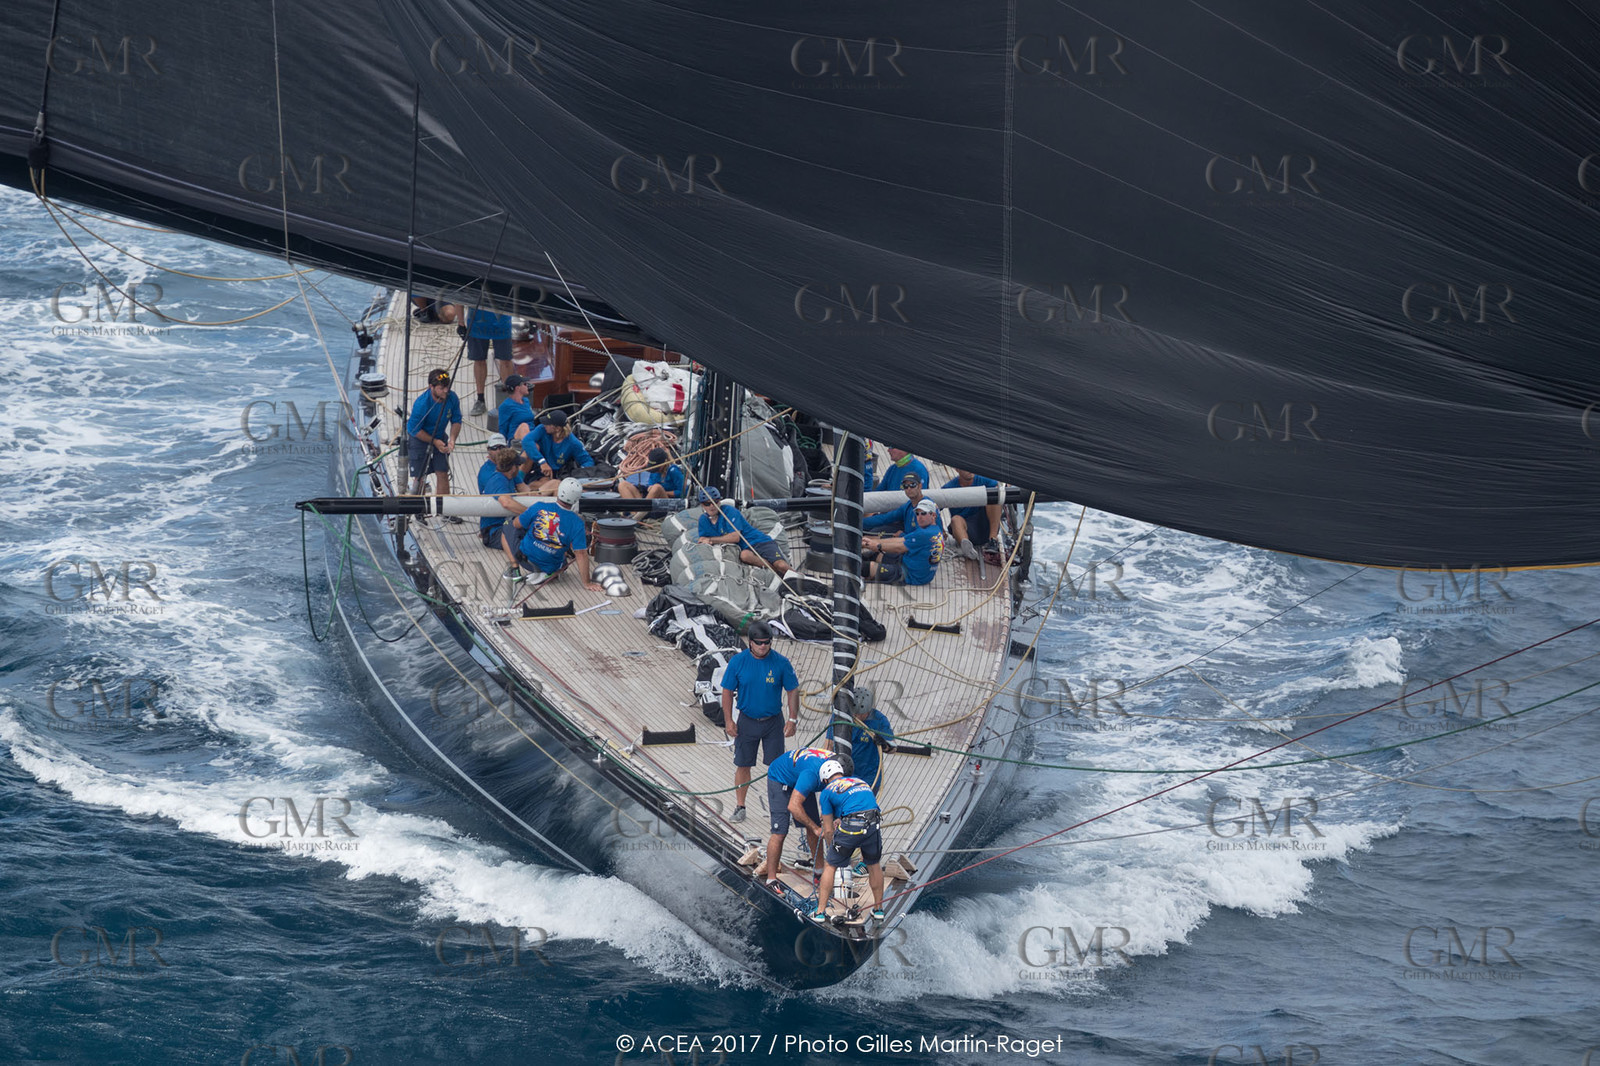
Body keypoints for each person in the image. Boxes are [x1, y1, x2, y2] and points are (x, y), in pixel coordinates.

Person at [721, 620, 800, 824]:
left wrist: (792, 719)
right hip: (747, 721)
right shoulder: (738, 662)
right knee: (743, 764)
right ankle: (740, 806)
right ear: (750, 643)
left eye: (767, 642)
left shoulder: (781, 663)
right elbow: (727, 692)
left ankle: (783, 808)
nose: (763, 646)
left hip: (773, 722)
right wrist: (729, 720)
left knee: (778, 767)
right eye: (759, 642)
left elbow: (792, 690)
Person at [761, 745, 848, 888]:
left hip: (800, 775)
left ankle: (819, 873)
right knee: (780, 831)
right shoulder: (811, 775)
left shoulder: (841, 769)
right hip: (781, 778)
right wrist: (815, 828)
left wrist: (836, 817)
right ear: (825, 778)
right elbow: (793, 806)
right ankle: (771, 879)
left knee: (815, 826)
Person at [812, 760, 887, 922]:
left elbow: (828, 829)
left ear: (825, 779)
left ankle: (820, 912)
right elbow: (860, 804)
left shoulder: (826, 791)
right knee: (873, 864)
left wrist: (833, 848)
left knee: (830, 865)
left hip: (852, 826)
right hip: (873, 822)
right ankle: (878, 909)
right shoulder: (860, 781)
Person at [498, 477, 602, 591]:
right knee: (562, 554)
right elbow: (581, 554)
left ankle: (514, 569)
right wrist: (587, 583)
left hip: (526, 562)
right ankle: (550, 572)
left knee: (508, 524)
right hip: (553, 565)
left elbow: (516, 524)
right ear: (577, 498)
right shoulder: (577, 523)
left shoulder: (539, 506)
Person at [697, 486, 791, 576]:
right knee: (744, 556)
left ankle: (801, 578)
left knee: (781, 565)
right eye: (707, 504)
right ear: (702, 505)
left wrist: (711, 540)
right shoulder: (703, 521)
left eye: (715, 501)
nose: (712, 506)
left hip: (760, 542)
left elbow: (735, 537)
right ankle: (777, 574)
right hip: (745, 550)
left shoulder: (729, 511)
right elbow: (702, 539)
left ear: (720, 502)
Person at [406, 369, 462, 501]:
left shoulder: (452, 398)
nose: (446, 391)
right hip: (420, 438)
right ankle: (418, 509)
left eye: (447, 387)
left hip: (440, 436)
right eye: (442, 388)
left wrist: (452, 439)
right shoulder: (421, 404)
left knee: (442, 472)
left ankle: (444, 509)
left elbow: (456, 421)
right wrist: (434, 442)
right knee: (420, 476)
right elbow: (414, 429)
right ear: (431, 387)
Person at [861, 498, 943, 585]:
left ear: (933, 515)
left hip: (909, 575)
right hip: (914, 567)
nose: (919, 517)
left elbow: (899, 548)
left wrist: (877, 546)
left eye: (923, 513)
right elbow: (901, 540)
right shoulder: (934, 530)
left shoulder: (924, 533)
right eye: (917, 513)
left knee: (866, 567)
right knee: (875, 555)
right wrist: (874, 542)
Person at [522, 410, 594, 495]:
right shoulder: (542, 429)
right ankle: (519, 481)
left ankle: (530, 491)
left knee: (550, 483)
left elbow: (587, 461)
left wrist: (577, 477)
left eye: (548, 424)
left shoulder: (573, 443)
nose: (544, 425)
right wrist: (542, 461)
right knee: (530, 449)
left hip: (556, 473)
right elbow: (526, 440)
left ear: (557, 428)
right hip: (538, 467)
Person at [461, 306, 514, 416]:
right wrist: (460, 324)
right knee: (479, 360)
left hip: (502, 323)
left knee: (506, 361)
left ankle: (508, 401)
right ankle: (480, 400)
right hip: (477, 325)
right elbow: (459, 298)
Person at [478, 435, 527, 549]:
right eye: (518, 465)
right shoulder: (497, 481)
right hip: (494, 532)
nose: (519, 467)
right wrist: (530, 513)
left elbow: (524, 489)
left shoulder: (507, 477)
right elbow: (506, 503)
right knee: (531, 543)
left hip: (507, 523)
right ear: (513, 468)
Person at [943, 469, 1001, 561]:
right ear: (957, 470)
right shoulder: (949, 488)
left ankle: (993, 541)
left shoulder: (983, 480)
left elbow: (1000, 487)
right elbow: (934, 507)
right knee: (955, 520)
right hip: (966, 529)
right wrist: (939, 529)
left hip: (985, 525)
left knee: (995, 494)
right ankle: (967, 548)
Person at [844, 687, 895, 792]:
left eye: (861, 713)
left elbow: (893, 748)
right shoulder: (843, 716)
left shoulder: (879, 720)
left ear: (869, 710)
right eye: (855, 712)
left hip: (869, 778)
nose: (857, 716)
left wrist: (884, 745)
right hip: (846, 775)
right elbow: (829, 744)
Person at [864, 472, 942, 535]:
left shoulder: (926, 506)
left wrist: (902, 535)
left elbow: (922, 536)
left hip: (922, 547)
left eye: (912, 485)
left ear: (920, 486)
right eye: (905, 486)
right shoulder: (908, 506)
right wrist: (858, 523)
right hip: (912, 542)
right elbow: (886, 518)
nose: (909, 489)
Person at [617, 446, 687, 499]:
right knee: (623, 485)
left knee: (657, 488)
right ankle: (635, 514)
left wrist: (661, 492)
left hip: (667, 502)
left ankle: (641, 512)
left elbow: (682, 492)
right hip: (651, 499)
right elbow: (650, 483)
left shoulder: (673, 471)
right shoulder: (654, 471)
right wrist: (650, 488)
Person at [496, 374, 537, 443]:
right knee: (524, 426)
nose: (527, 386)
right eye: (525, 384)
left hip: (532, 434)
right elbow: (503, 429)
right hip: (517, 440)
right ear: (517, 388)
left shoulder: (526, 401)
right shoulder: (505, 406)